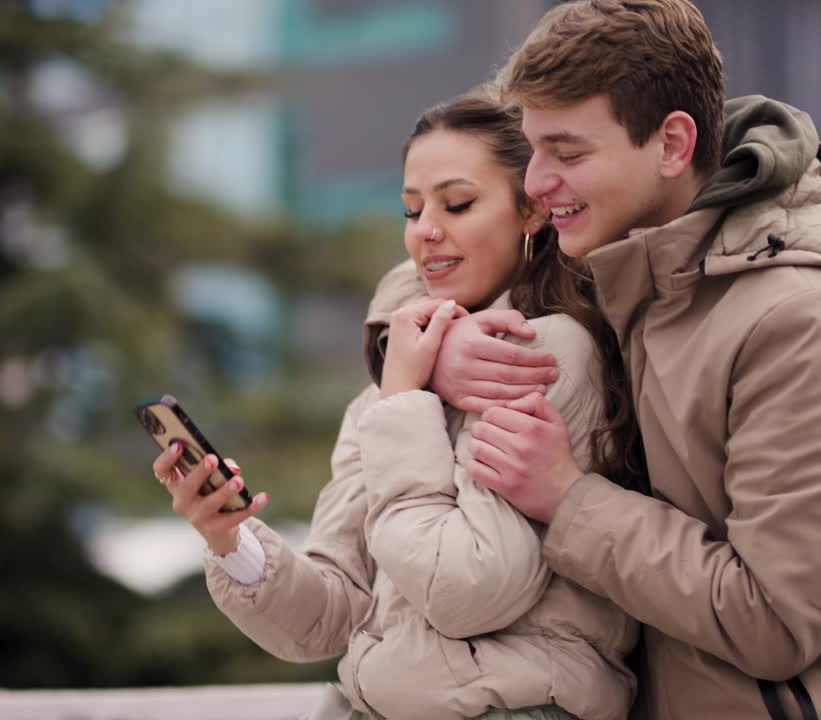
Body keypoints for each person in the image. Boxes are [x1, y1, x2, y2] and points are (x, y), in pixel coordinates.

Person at [382, 1, 821, 719]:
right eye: (533, 150)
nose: (536, 183)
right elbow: (434, 266)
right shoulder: (623, 258)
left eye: (567, 154)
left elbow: (773, 622)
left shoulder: (812, 324)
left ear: (671, 145)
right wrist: (439, 349)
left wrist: (568, 500)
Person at [153, 93, 641, 720]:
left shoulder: (543, 353)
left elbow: (467, 590)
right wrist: (230, 538)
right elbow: (333, 616)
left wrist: (407, 399)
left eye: (457, 203)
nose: (426, 230)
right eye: (412, 210)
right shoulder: (388, 392)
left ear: (530, 211)